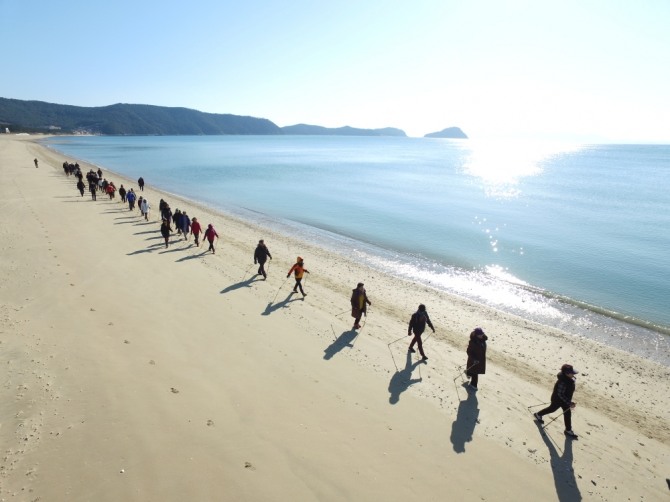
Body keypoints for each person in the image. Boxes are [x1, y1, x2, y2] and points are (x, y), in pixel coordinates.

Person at [534, 364, 580, 439]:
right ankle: (538, 414)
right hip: (557, 399)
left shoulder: (570, 379)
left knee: (567, 414)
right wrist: (569, 403)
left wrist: (569, 401)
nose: (574, 374)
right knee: (552, 409)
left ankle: (568, 430)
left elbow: (567, 391)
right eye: (572, 373)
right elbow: (560, 394)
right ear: (567, 373)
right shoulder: (563, 382)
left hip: (565, 400)